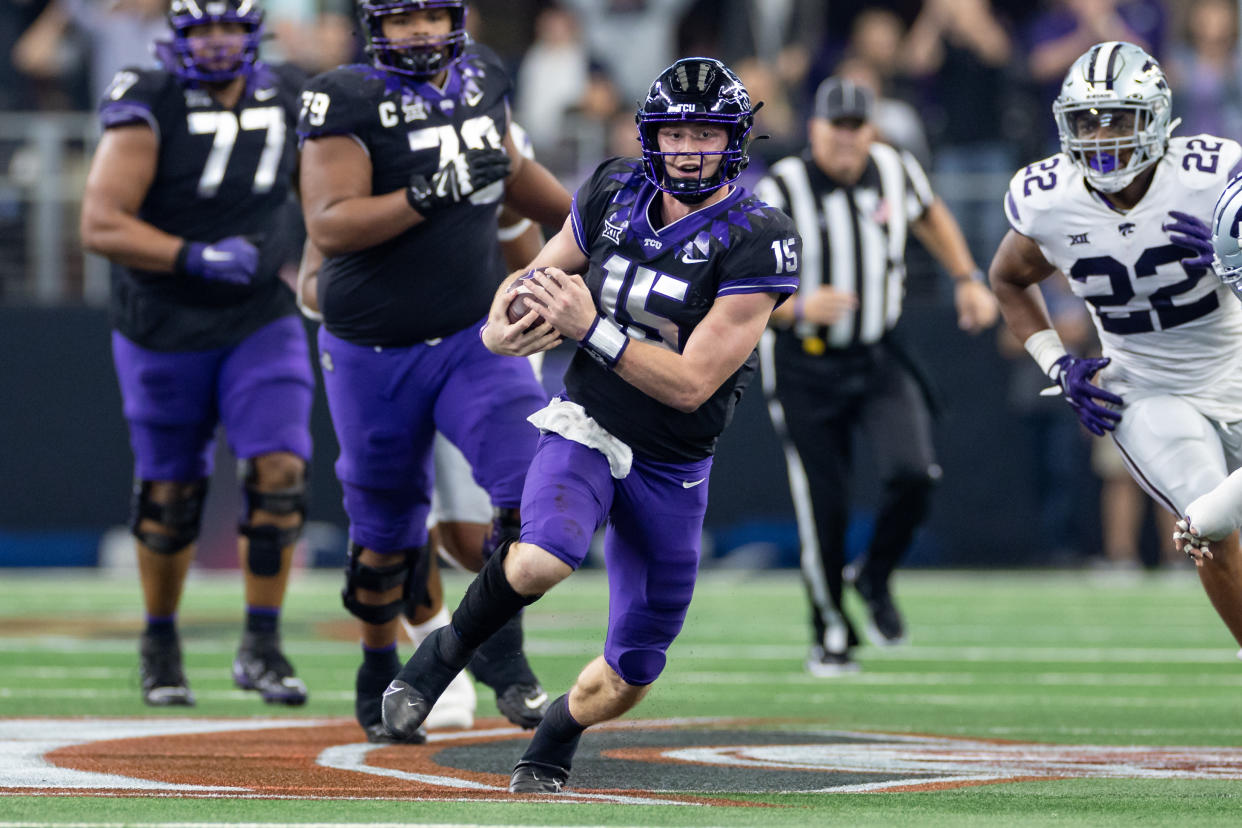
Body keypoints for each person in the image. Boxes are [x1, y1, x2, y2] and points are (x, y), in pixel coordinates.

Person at [380, 56, 801, 793]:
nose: (688, 148)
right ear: (651, 138)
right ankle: (441, 658)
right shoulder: (613, 189)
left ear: (735, 140)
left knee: (634, 670)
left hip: (675, 460)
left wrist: (588, 327)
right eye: (675, 133)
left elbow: (693, 383)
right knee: (546, 555)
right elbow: (540, 272)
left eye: (706, 132)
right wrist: (498, 322)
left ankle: (555, 735)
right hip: (589, 422)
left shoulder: (757, 235)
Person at [296, 0, 572, 743]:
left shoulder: (482, 74)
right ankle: (376, 659)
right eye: (402, 19)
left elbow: (513, 176)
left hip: (469, 337)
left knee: (527, 486)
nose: (419, 31)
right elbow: (329, 221)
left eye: (431, 15)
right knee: (384, 533)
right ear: (373, 27)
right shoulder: (344, 98)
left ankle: (504, 660)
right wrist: (430, 189)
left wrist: (601, 222)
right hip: (372, 349)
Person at [79, 0, 314, 707]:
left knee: (280, 470)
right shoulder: (148, 96)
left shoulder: (291, 92)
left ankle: (264, 643)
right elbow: (99, 222)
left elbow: (331, 182)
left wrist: (327, 258)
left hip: (257, 315)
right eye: (203, 30)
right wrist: (191, 255)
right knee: (168, 493)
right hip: (162, 318)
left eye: (229, 29)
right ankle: (159, 642)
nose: (216, 44)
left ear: (253, 33)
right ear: (178, 37)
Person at [990, 41, 1242, 651]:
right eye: (1087, 121)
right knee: (1209, 522)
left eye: (1119, 119)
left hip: (1235, 361)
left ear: (1156, 117)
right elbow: (1007, 277)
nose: (1102, 136)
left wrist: (1228, 256)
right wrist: (1057, 361)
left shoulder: (1212, 176)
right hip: (1147, 386)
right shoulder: (1048, 199)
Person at [753, 75, 998, 675]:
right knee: (826, 506)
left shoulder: (893, 168)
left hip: (878, 351)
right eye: (834, 126)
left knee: (915, 473)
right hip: (803, 361)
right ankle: (830, 630)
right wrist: (803, 306)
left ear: (871, 131)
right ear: (813, 130)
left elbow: (929, 212)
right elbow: (743, 293)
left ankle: (875, 576)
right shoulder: (780, 189)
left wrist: (967, 277)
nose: (845, 138)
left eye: (855, 126)